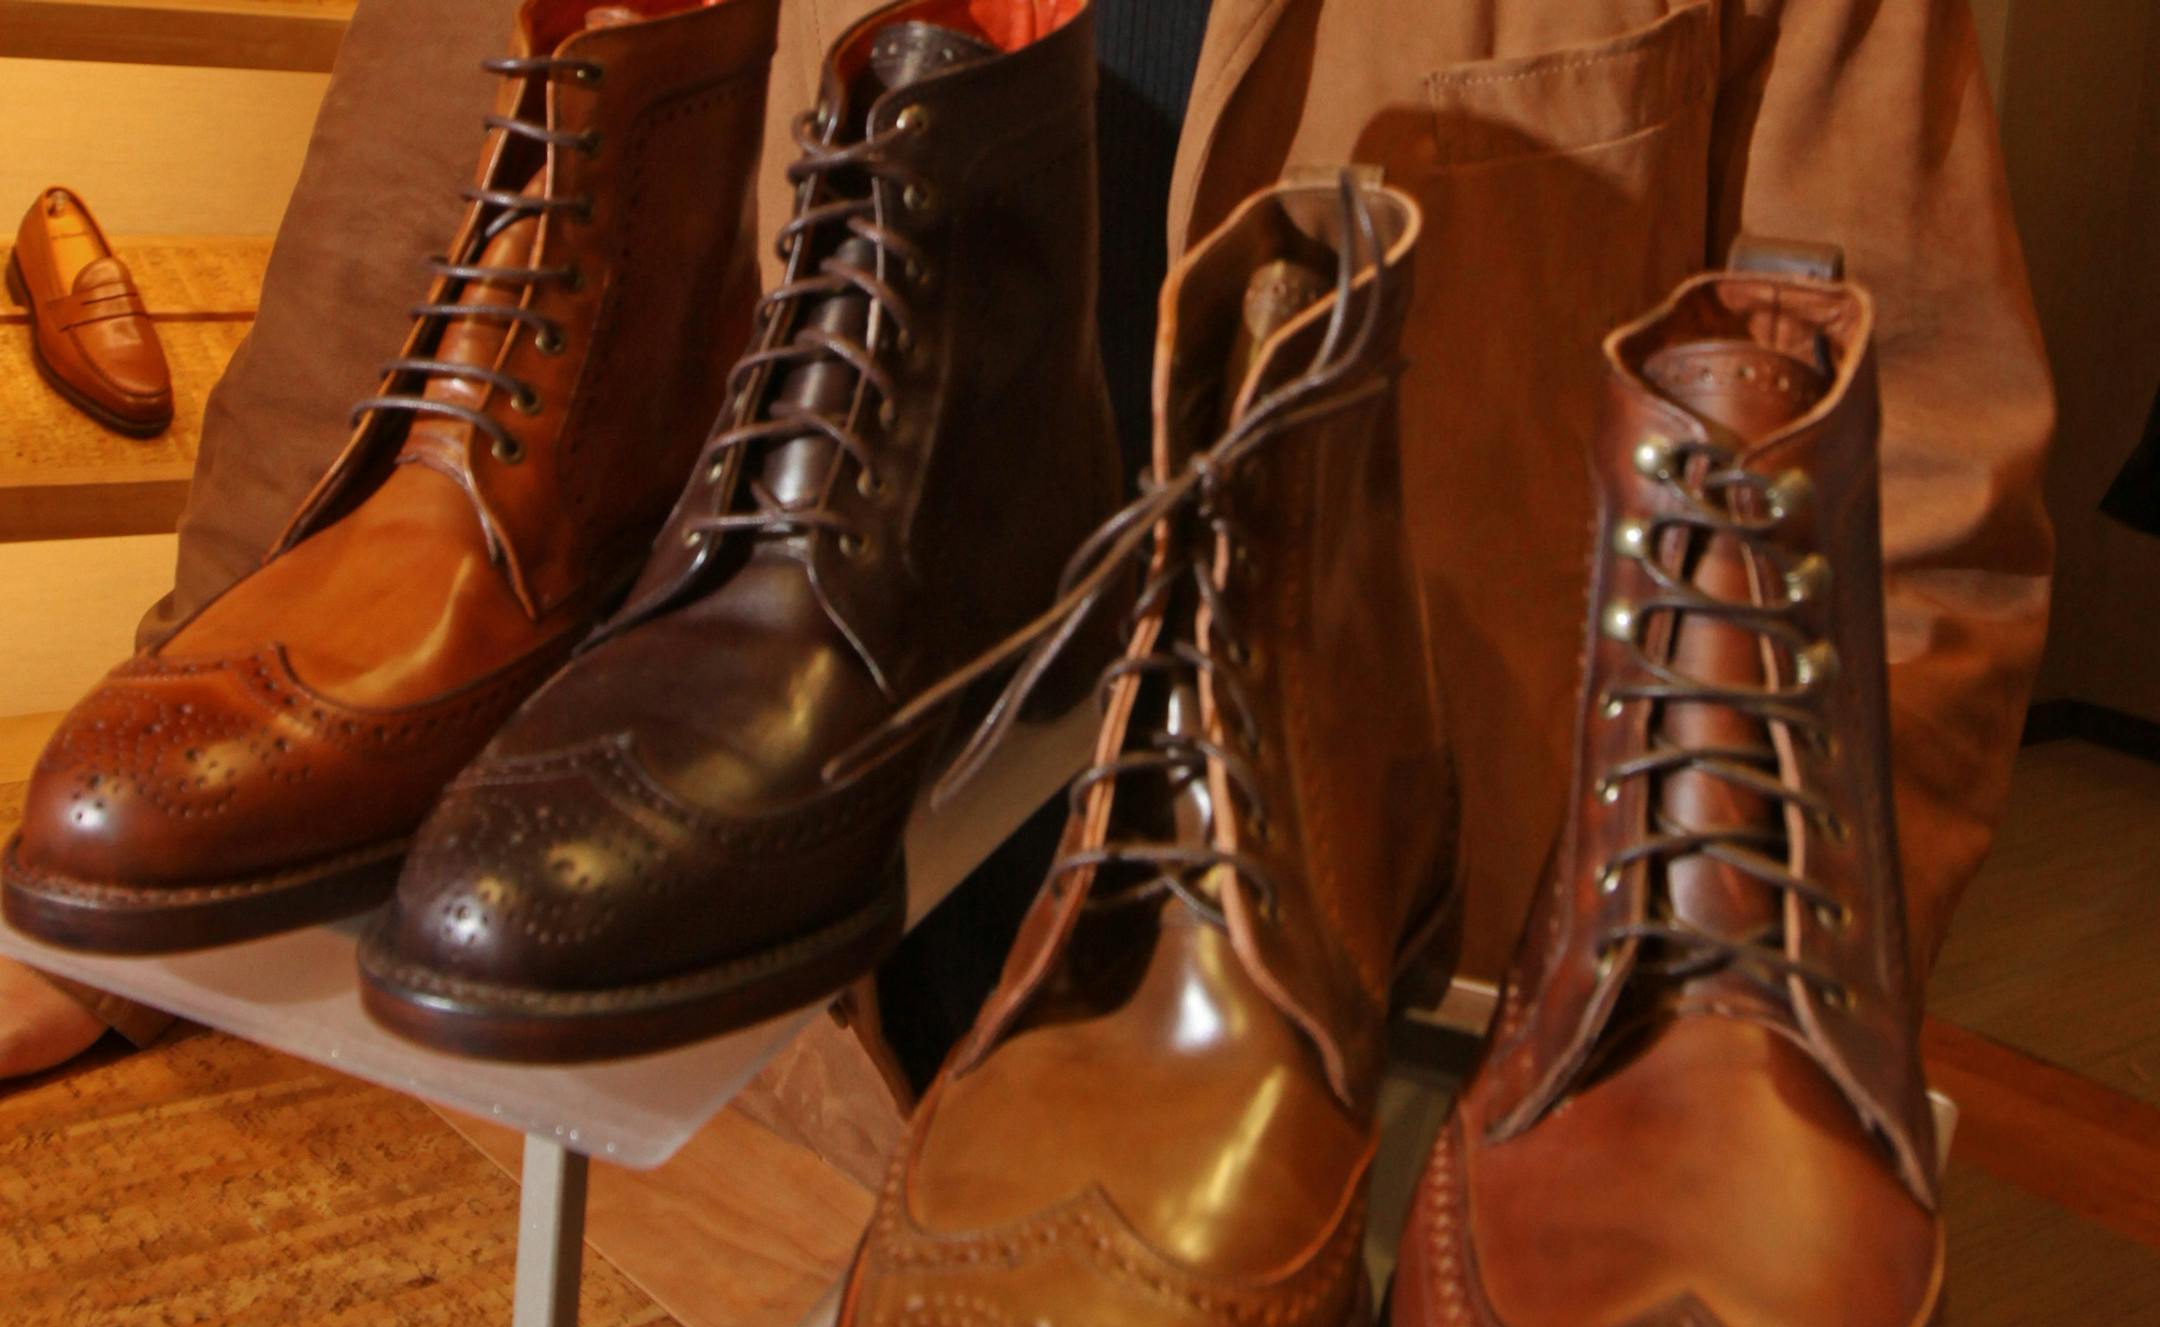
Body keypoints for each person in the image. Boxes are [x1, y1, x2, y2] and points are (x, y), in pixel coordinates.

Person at [3, 0, 2049, 1078]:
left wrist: (1727, 1057)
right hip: (709, 993)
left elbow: (1909, 503)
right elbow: (437, 237)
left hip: (1417, 1016)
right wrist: (185, 847)